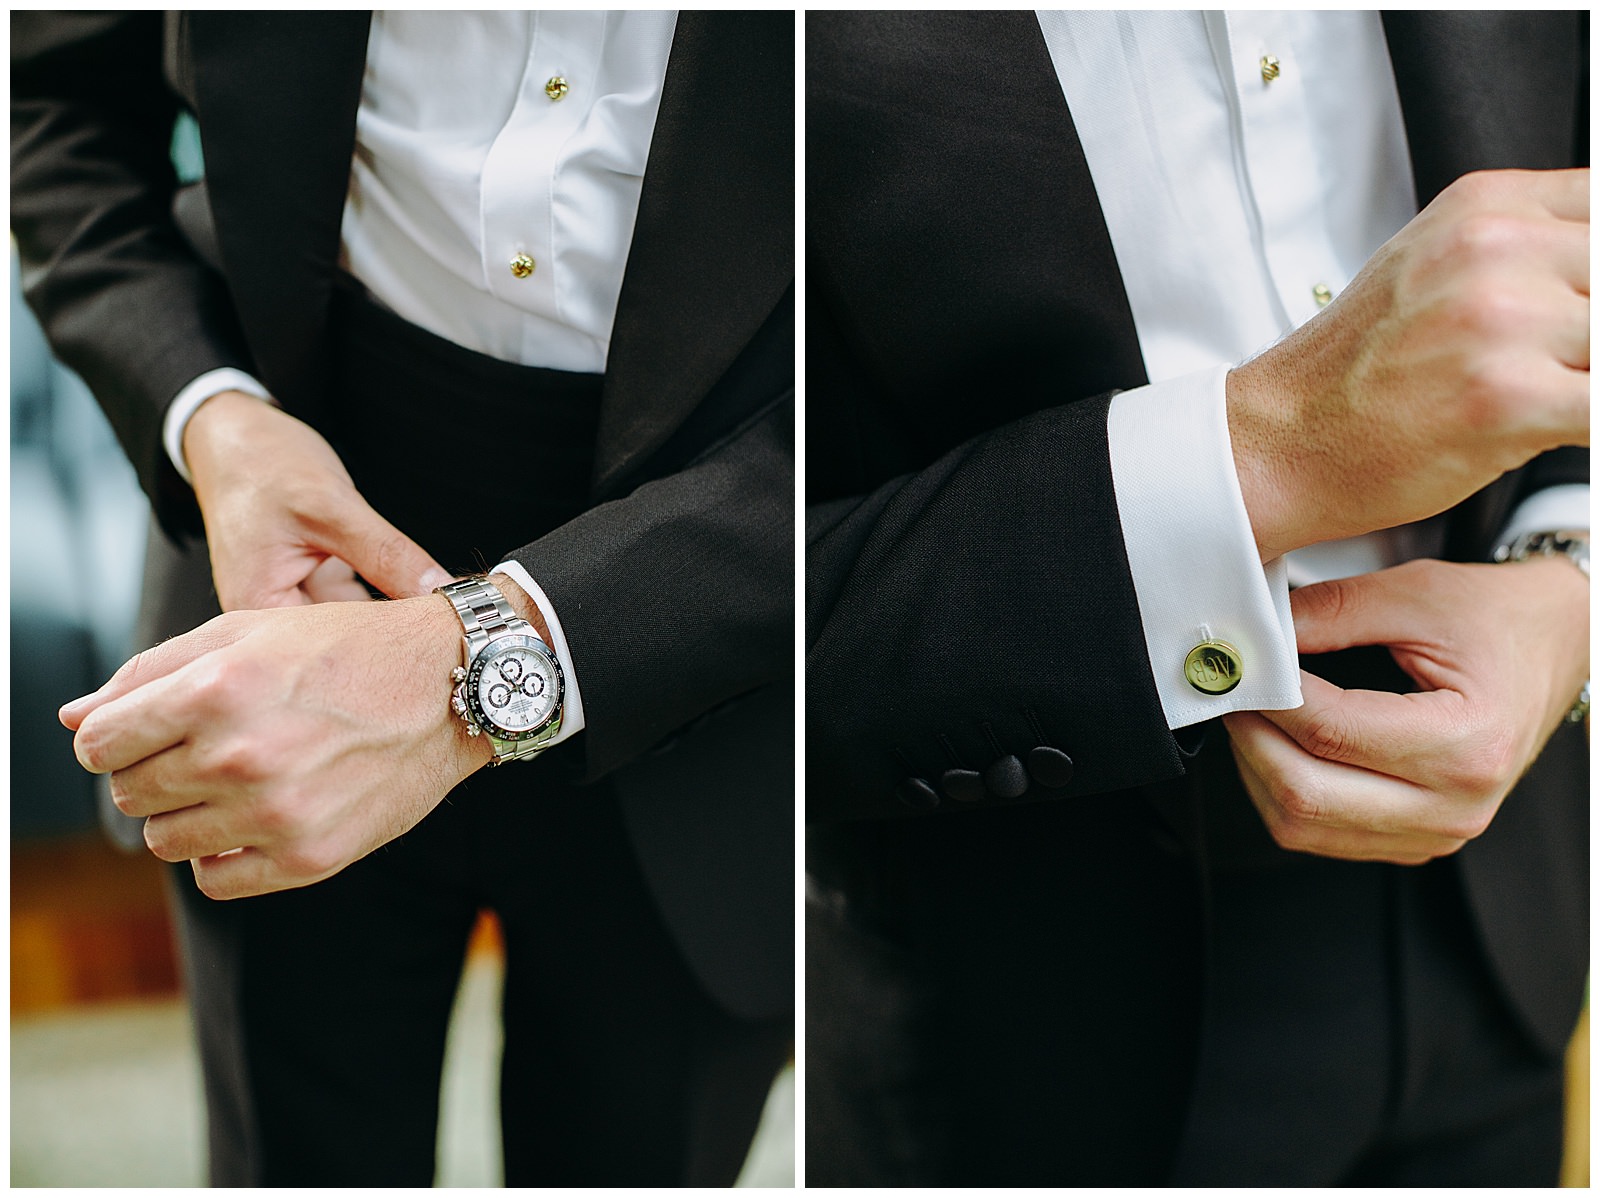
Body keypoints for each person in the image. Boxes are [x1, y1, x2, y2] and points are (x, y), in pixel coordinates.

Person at [806, 10, 1587, 1186]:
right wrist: (1270, 453)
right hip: (1033, 997)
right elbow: (724, 574)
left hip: (1510, 921)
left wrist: (1571, 583)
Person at [13, 11, 793, 1187]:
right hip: (278, 588)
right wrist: (211, 417)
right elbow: (54, 101)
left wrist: (472, 662)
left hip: (722, 652)